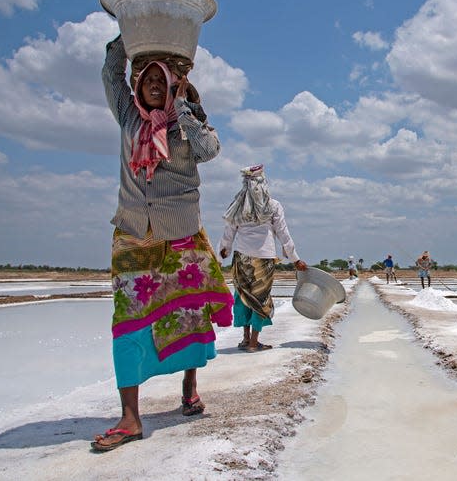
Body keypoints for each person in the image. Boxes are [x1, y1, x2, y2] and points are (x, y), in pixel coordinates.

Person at [93, 35, 234, 452]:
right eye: (148, 79)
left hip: (181, 237)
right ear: (138, 86)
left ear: (175, 85)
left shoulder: (187, 127)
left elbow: (209, 150)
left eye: (163, 80)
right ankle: (130, 418)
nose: (154, 85)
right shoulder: (129, 118)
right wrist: (129, 35)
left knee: (188, 315)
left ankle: (190, 387)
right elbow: (110, 74)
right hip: (134, 235)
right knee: (128, 322)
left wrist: (184, 106)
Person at [219, 165, 307, 352]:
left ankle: (245, 339)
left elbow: (229, 232)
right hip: (264, 259)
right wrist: (295, 259)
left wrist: (223, 251)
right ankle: (253, 342)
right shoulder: (273, 205)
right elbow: (283, 233)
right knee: (261, 297)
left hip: (242, 258)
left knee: (243, 296)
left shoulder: (238, 204)